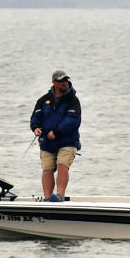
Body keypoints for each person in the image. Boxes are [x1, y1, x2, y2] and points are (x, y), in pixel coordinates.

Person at [30, 69, 81, 201]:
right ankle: (48, 198)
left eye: (65, 80)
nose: (64, 83)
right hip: (47, 143)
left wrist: (56, 132)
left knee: (62, 164)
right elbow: (36, 117)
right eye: (61, 81)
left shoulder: (73, 100)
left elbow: (73, 120)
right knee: (47, 169)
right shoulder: (43, 100)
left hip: (68, 141)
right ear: (54, 82)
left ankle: (59, 195)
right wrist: (36, 129)